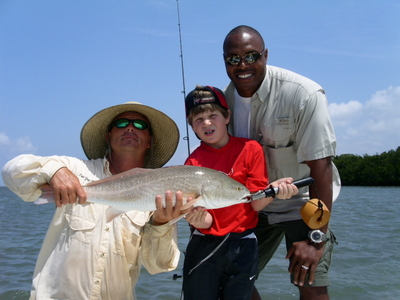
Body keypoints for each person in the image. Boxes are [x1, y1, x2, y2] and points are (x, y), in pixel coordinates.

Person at [1, 102, 189, 300]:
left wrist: (160, 223)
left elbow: (159, 265)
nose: (131, 127)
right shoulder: (76, 169)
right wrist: (54, 171)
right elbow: (11, 171)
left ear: (149, 141)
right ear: (108, 136)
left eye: (140, 125)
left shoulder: (161, 193)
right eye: (122, 123)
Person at [222, 26, 341, 300]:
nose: (243, 65)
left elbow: (320, 167)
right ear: (225, 61)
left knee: (310, 283)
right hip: (254, 204)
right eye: (233, 59)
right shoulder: (223, 103)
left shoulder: (304, 94)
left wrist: (316, 238)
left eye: (252, 56)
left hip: (302, 204)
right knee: (229, 280)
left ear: (265, 55)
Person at [181, 85, 298, 300]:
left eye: (213, 115)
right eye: (198, 120)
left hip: (244, 243)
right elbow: (204, 219)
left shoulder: (251, 149)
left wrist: (275, 191)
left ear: (227, 117)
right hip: (204, 243)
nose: (206, 123)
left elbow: (254, 202)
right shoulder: (192, 164)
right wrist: (198, 220)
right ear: (192, 127)